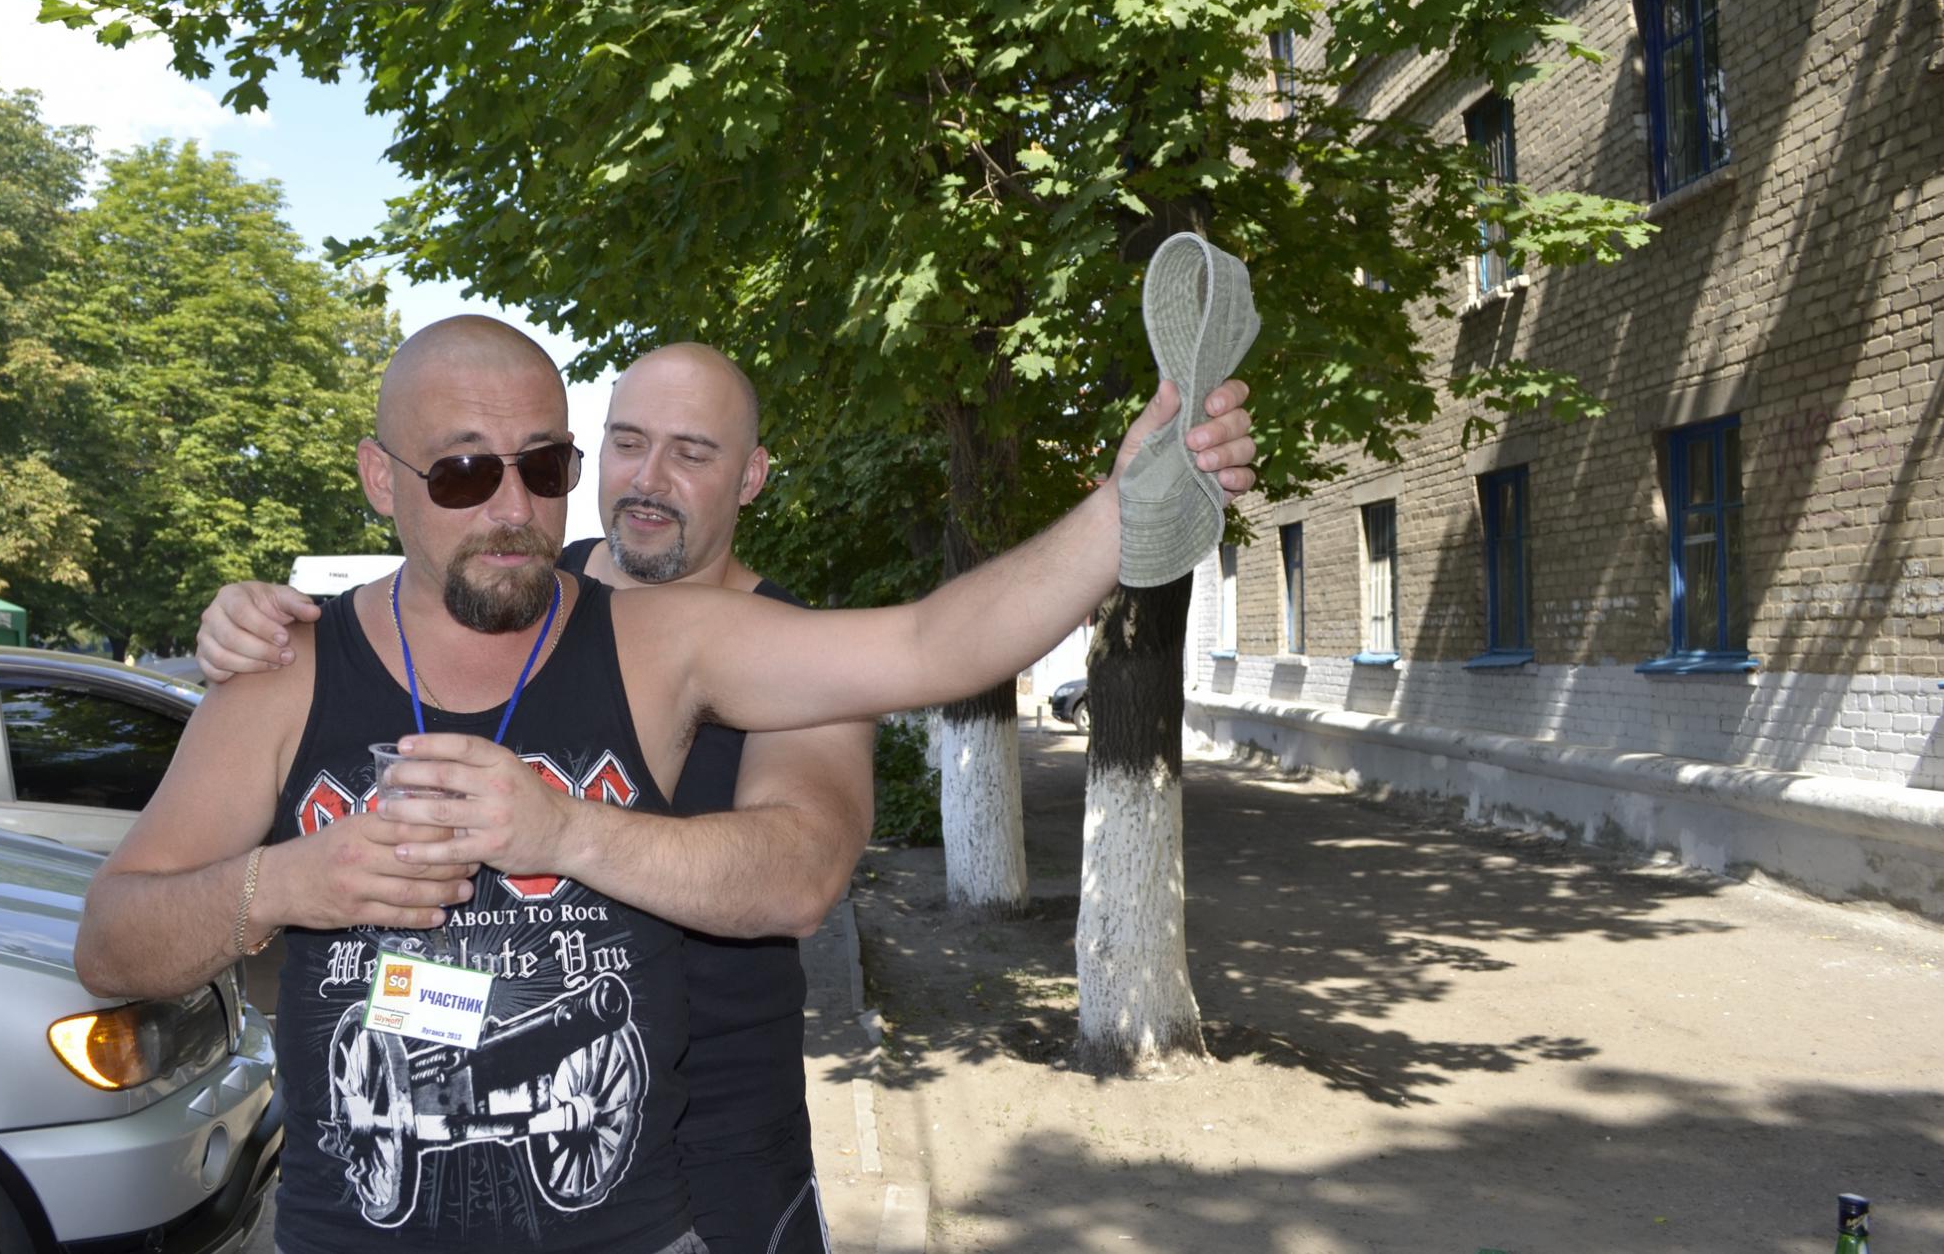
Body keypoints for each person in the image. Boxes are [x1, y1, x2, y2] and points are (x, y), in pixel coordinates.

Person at [75, 317, 1255, 1254]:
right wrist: (290, 882)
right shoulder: (286, 668)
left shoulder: (656, 639)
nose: (512, 509)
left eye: (543, 467)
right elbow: (112, 947)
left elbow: (926, 645)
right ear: (380, 480)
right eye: (464, 473)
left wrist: (1120, 510)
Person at [197, 342, 875, 1254]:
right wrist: (247, 619)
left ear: (751, 476)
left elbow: (806, 872)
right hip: (483, 1102)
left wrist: (567, 832)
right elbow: (393, 618)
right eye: (626, 443)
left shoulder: (793, 651)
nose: (649, 479)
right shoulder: (522, 593)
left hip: (725, 1143)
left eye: (692, 452)